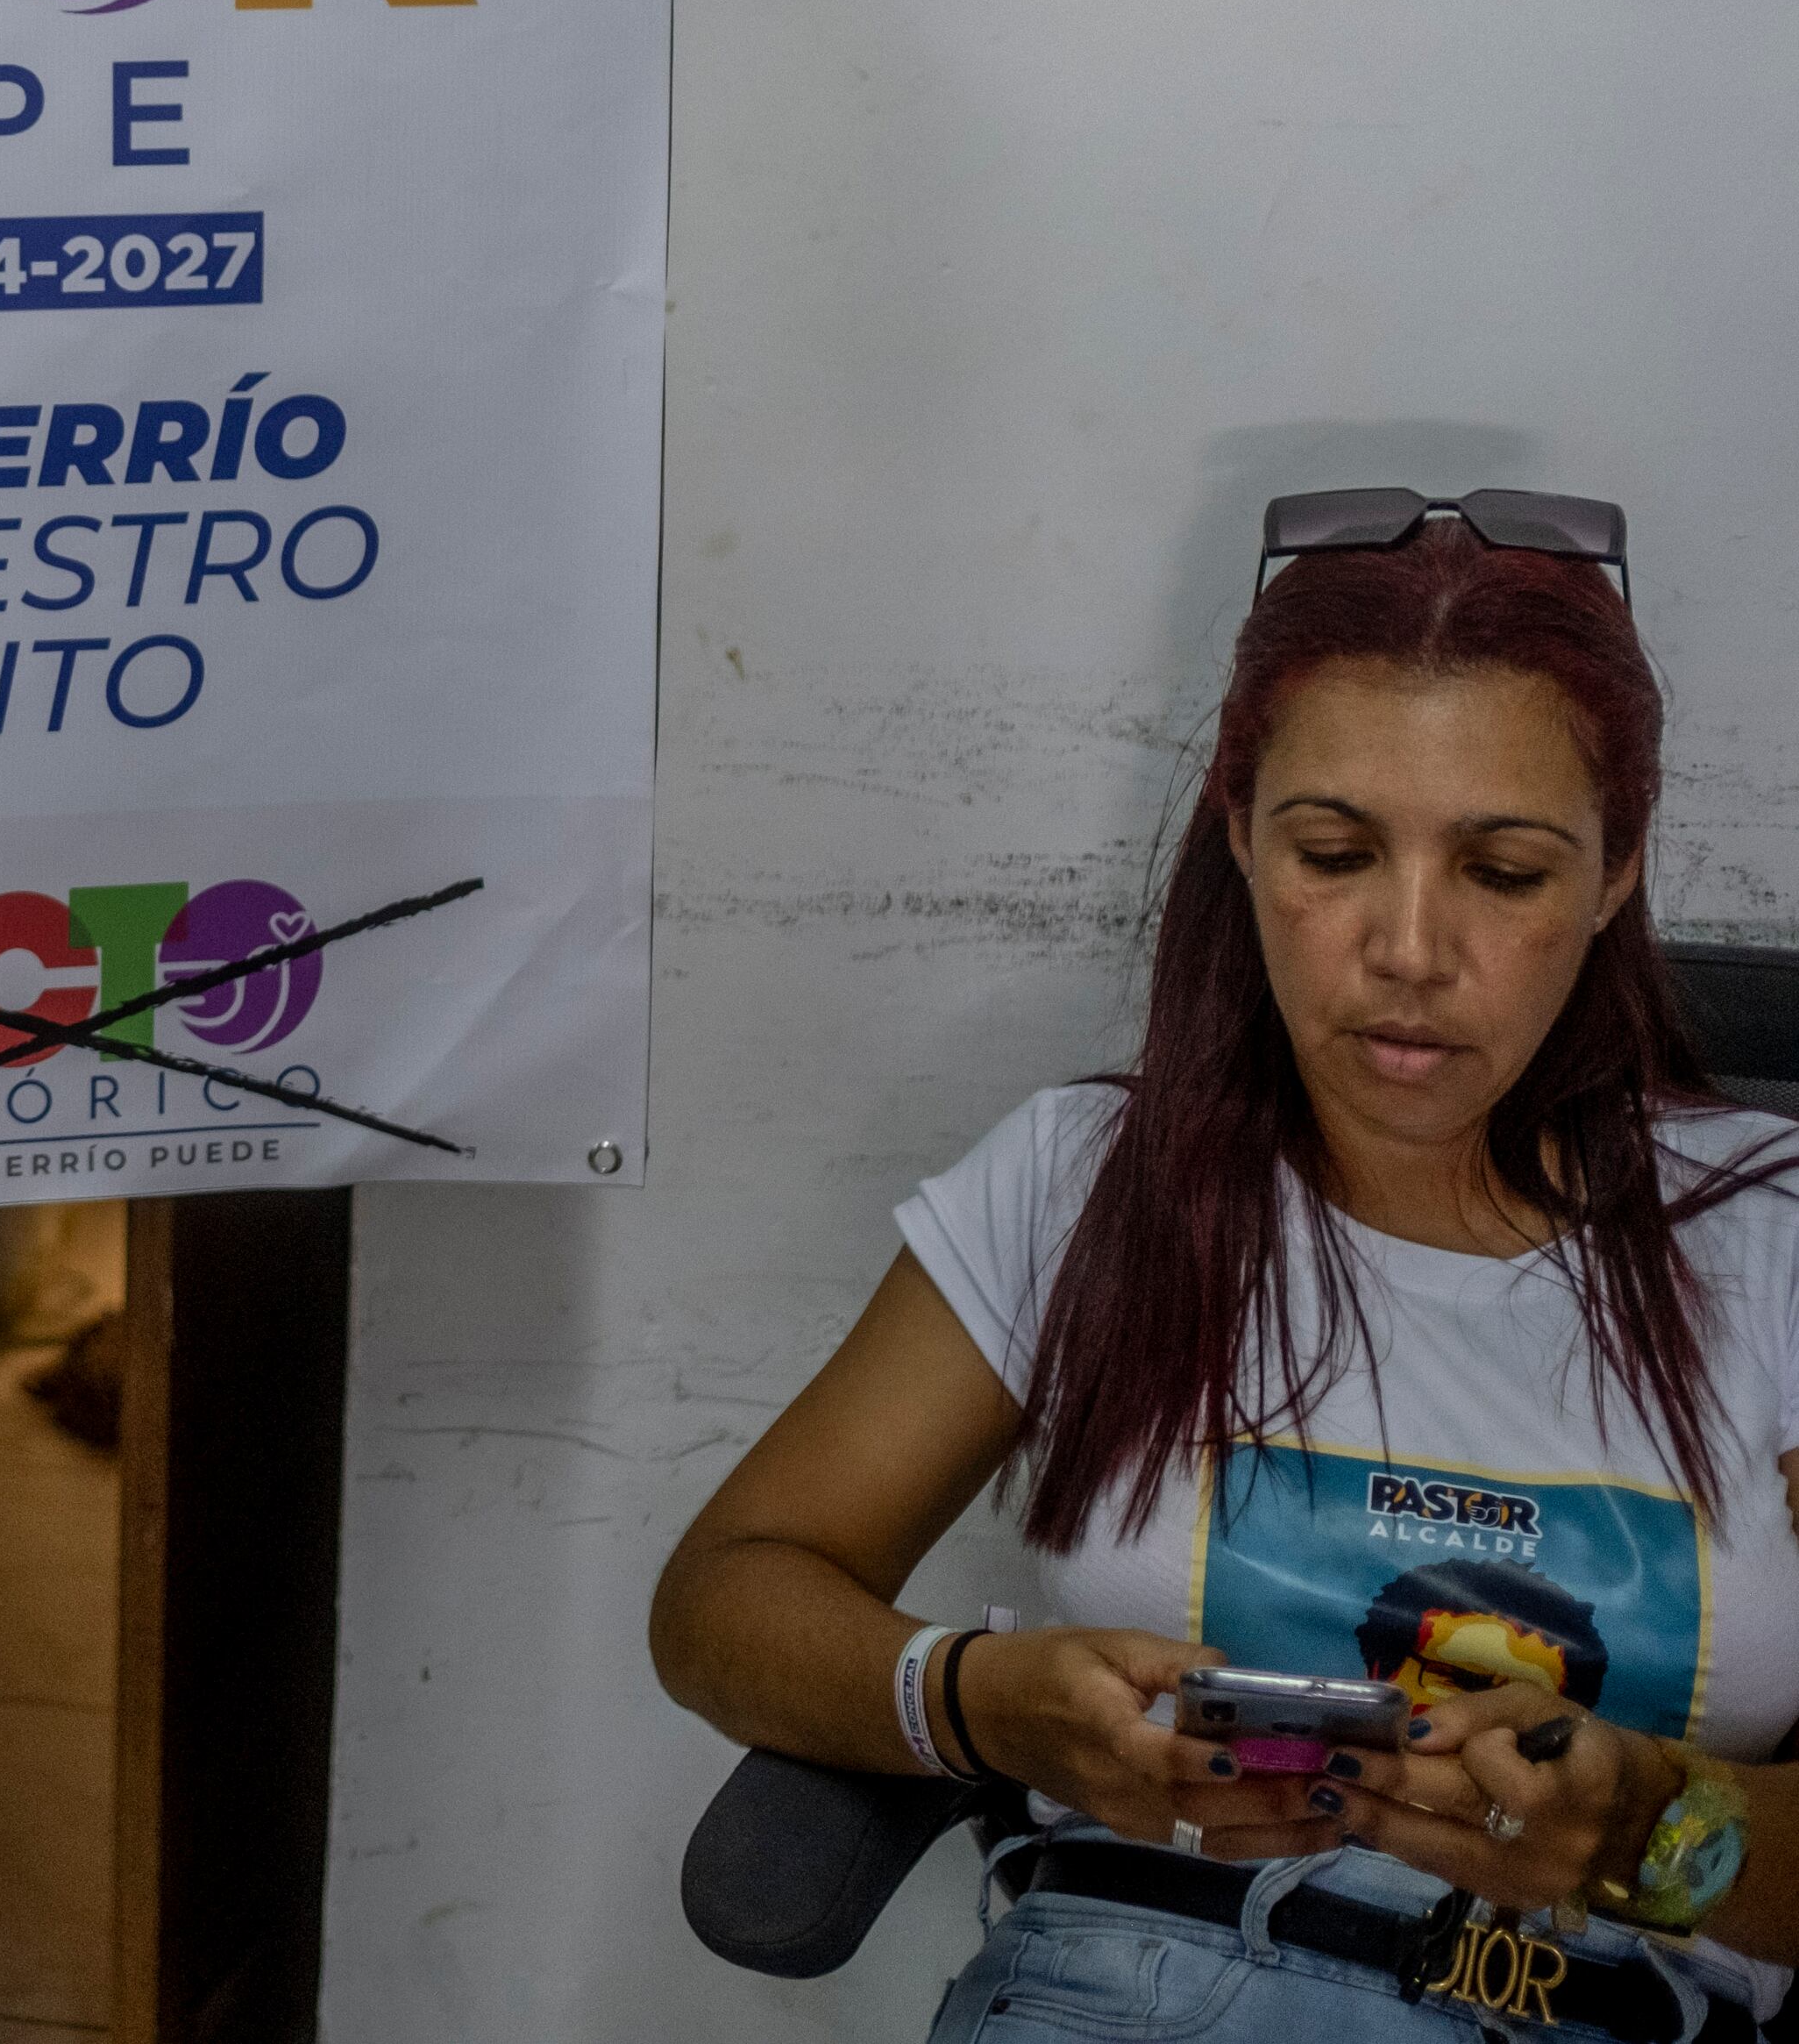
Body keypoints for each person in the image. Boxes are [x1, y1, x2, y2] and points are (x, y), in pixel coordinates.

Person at [655, 491, 1799, 2040]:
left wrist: (1656, 1829)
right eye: (1333, 851)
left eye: (1506, 873)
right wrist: (990, 1703)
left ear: (1612, 875)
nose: (1408, 946)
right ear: (1240, 832)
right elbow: (727, 1597)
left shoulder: (1770, 1246)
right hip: (1126, 1987)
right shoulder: (1088, 1184)